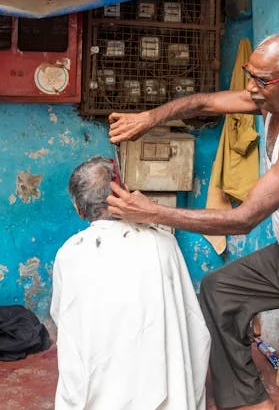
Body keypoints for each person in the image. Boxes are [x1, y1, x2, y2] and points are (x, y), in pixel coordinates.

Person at [107, 33, 279, 410]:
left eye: (261, 80)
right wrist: (150, 118)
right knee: (219, 291)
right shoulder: (271, 102)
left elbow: (242, 219)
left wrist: (152, 212)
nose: (250, 88)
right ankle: (250, 402)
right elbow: (206, 102)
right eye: (249, 74)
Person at [50, 157, 211, 410]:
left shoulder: (69, 253)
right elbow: (192, 325)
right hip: (159, 383)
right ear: (124, 195)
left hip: (96, 384)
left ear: (79, 210)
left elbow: (63, 319)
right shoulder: (163, 244)